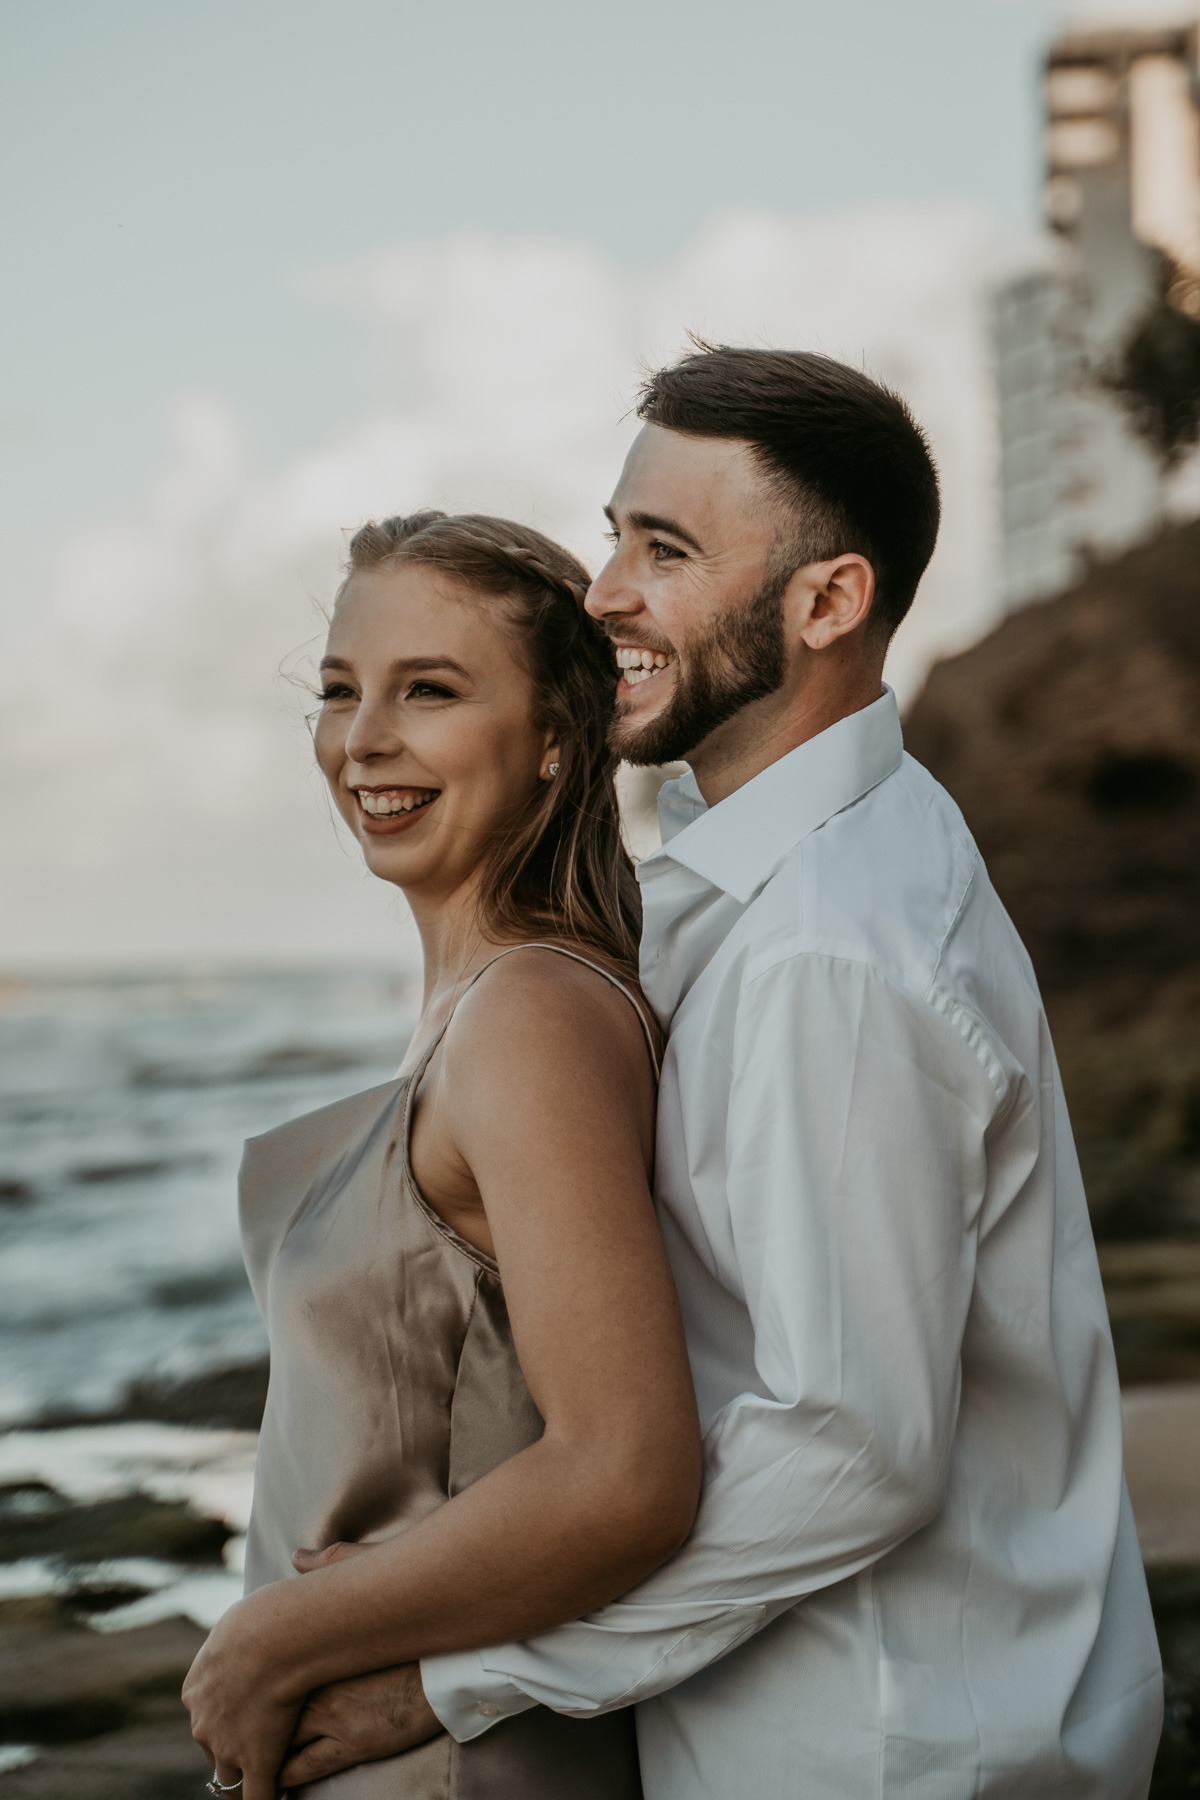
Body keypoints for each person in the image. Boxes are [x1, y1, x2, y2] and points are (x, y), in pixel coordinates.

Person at [269, 347, 1165, 1799]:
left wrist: (453, 1672)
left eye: (665, 549)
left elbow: (850, 1446)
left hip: (881, 1749)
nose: (604, 590)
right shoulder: (808, 865)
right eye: (616, 530)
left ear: (828, 602)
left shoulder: (831, 949)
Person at [181, 511, 703, 1799]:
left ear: (553, 745)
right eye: (341, 690)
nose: (364, 739)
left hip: (464, 1765)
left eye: (430, 689)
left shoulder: (530, 1015)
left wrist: (266, 1639)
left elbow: (626, 1470)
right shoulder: (489, 1006)